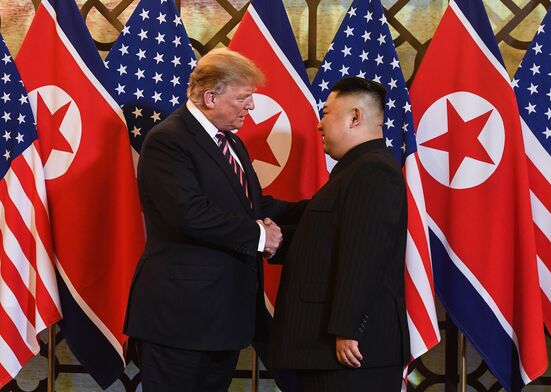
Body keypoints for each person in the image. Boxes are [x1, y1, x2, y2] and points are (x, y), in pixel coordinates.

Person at [124, 47, 305, 392]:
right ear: (210, 97)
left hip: (223, 320)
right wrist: (258, 236)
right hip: (180, 321)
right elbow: (189, 214)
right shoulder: (168, 140)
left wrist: (322, 207)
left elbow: (254, 206)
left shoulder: (232, 144)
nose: (251, 106)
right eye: (243, 97)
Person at [269, 77, 410, 391]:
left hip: (349, 351)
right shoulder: (355, 169)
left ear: (355, 117)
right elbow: (328, 241)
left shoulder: (372, 171)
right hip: (331, 350)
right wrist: (273, 240)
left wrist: (347, 329)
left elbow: (365, 256)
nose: (319, 125)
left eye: (327, 113)